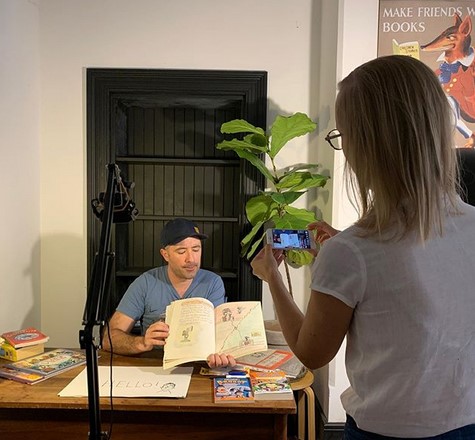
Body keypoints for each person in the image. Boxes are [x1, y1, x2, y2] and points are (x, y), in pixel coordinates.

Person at [251, 55, 475, 438]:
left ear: (368, 145)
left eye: (342, 135)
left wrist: (272, 276)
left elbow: (311, 352)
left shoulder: (351, 252)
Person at [102, 217, 236, 368]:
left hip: (199, 366)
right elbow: (108, 339)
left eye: (196, 249)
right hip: (155, 366)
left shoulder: (213, 282)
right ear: (165, 254)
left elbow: (219, 337)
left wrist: (219, 355)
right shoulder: (145, 283)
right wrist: (142, 342)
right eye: (181, 251)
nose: (191, 259)